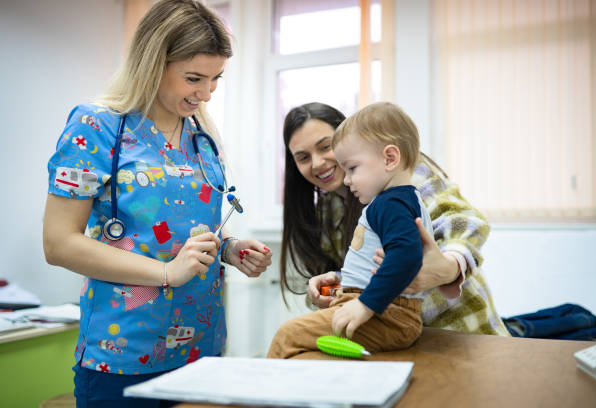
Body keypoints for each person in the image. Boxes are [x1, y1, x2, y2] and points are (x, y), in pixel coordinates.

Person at [42, 1, 272, 406]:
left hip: (202, 348)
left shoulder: (201, 137)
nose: (206, 94)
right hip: (124, 355)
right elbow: (58, 243)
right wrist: (167, 271)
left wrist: (229, 250)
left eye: (216, 79)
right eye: (194, 78)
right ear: (152, 62)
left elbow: (189, 229)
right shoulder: (96, 127)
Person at [278, 102, 509, 337]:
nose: (317, 163)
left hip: (460, 331)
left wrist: (449, 266)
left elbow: (461, 220)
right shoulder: (328, 211)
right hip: (396, 336)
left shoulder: (401, 175)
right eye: (303, 157)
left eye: (325, 146)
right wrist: (334, 286)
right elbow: (366, 270)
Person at [268, 102, 433, 358]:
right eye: (302, 157)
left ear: (389, 158)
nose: (346, 179)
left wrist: (365, 305)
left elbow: (406, 256)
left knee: (287, 336)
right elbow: (373, 270)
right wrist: (338, 289)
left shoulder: (391, 202)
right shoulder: (375, 202)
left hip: (391, 313)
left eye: (352, 169)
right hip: (385, 308)